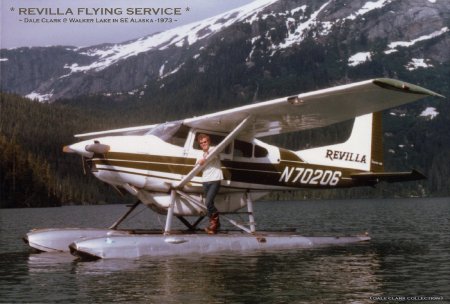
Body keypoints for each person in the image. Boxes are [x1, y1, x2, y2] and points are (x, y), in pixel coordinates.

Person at [196, 133, 223, 234]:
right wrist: (200, 161)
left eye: (205, 141)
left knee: (208, 202)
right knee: (208, 204)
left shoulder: (214, 150)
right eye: (201, 143)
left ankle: (215, 224)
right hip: (205, 180)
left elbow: (210, 157)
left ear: (209, 141)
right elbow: (197, 164)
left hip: (215, 179)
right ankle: (213, 226)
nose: (203, 144)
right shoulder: (199, 154)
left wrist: (203, 160)